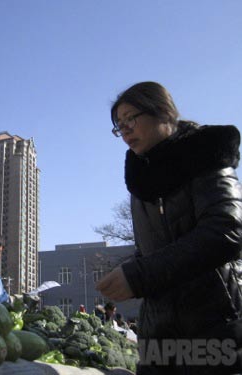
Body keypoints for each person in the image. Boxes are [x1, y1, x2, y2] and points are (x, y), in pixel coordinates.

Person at [96, 81, 242, 374]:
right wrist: (128, 272)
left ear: (162, 112)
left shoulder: (206, 157)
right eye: (118, 125)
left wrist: (139, 275)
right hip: (157, 329)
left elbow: (227, 230)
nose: (124, 130)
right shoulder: (142, 182)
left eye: (130, 119)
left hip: (213, 324)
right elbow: (153, 251)